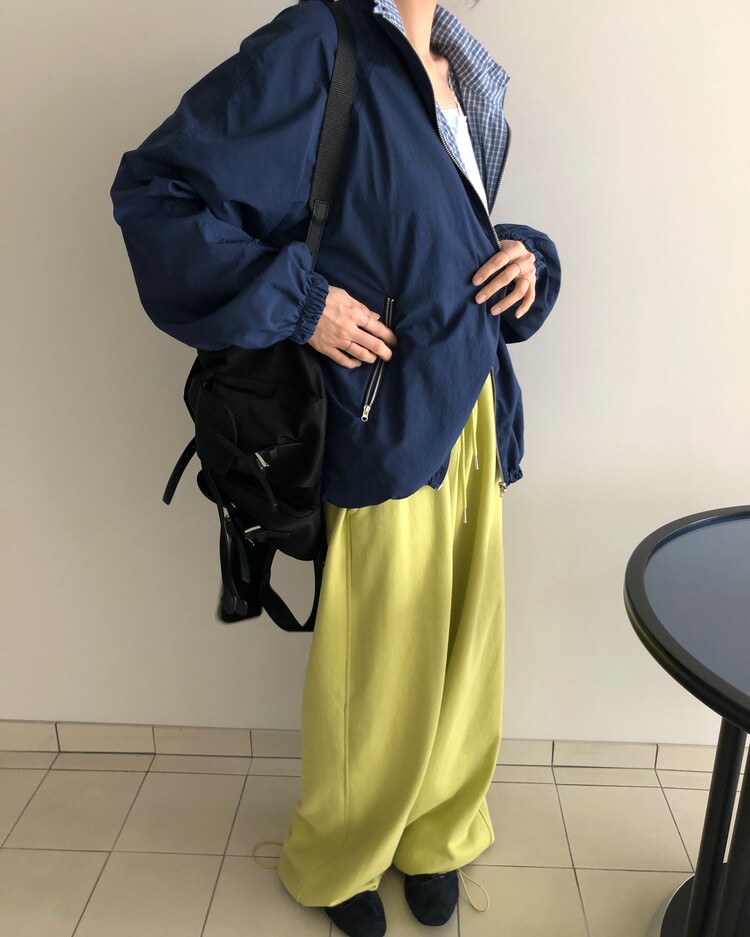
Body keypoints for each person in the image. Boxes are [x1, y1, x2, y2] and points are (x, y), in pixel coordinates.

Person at [110, 0, 561, 934]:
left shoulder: (466, 70)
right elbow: (158, 196)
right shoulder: (320, 42)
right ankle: (343, 854)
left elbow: (432, 225)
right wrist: (304, 305)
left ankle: (436, 832)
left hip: (475, 402)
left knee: (466, 647)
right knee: (380, 665)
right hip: (385, 410)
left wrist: (529, 260)